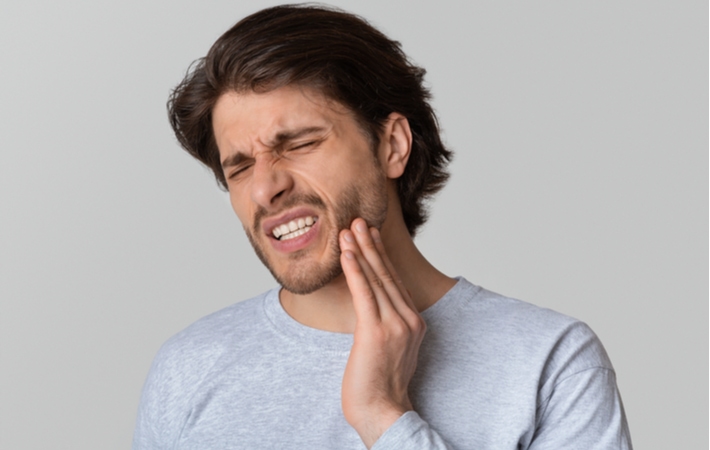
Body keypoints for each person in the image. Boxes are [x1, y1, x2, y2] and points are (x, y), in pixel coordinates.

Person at [133, 4, 632, 449]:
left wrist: (384, 417)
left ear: (391, 144)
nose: (265, 189)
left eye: (300, 144)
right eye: (240, 167)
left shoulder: (550, 362)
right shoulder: (189, 369)